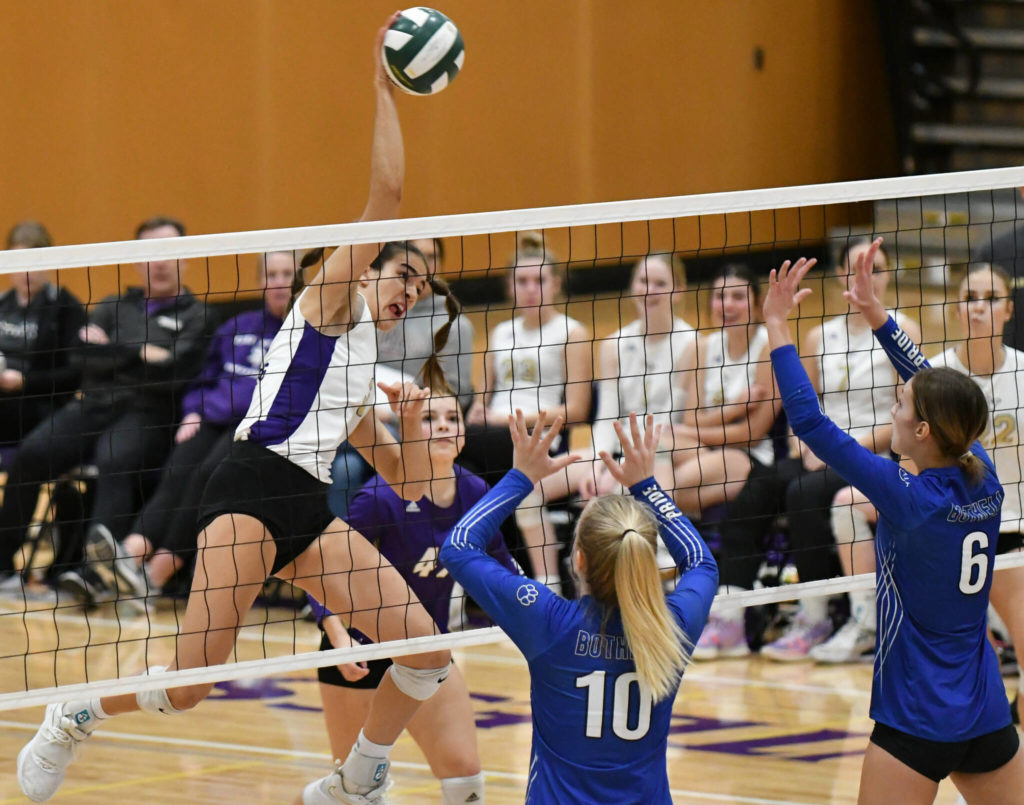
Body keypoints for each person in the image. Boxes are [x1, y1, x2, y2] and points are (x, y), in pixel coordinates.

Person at [18, 19, 459, 804]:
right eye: (403, 276)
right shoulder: (331, 295)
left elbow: (403, 477)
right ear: (369, 267)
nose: (407, 293)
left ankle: (357, 777)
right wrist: (382, 88)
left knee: (426, 650)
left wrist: (424, 430)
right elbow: (385, 197)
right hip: (249, 486)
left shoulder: (370, 366)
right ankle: (74, 711)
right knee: (192, 685)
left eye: (420, 291)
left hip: (308, 507)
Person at [764, 241, 1024, 803]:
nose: (893, 410)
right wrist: (877, 314)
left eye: (901, 406)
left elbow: (810, 423)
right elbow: (937, 389)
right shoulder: (984, 474)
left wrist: (777, 325)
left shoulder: (906, 495)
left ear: (925, 431)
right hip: (986, 712)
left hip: (916, 717)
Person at [440, 410, 718, 803]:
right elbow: (701, 563)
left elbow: (459, 546)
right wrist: (647, 486)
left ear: (580, 561)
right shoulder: (674, 627)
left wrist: (521, 477)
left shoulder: (549, 623)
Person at [300, 391, 517, 805]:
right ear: (408, 433)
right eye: (429, 418)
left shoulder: (475, 493)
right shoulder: (380, 496)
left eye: (452, 418)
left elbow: (503, 572)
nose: (442, 426)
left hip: (426, 650)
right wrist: (337, 638)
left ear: (463, 435)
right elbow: (322, 566)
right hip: (360, 652)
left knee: (466, 777)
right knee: (355, 793)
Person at [60, 251, 296, 607]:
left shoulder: (304, 334)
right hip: (211, 418)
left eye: (287, 274)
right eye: (271, 274)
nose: (279, 282)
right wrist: (193, 412)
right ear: (261, 281)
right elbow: (204, 378)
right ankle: (126, 559)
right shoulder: (237, 326)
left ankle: (152, 574)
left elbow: (272, 395)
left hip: (258, 429)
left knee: (207, 476)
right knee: (177, 469)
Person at [0, 216, 207, 596]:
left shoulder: (198, 315)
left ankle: (94, 575)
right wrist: (139, 353)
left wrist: (109, 352)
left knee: (114, 458)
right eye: (150, 253)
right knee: (32, 453)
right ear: (134, 259)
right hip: (93, 404)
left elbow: (173, 373)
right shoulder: (113, 304)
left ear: (186, 258)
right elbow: (80, 358)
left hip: (148, 412)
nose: (159, 263)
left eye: (169, 253)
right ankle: (2, 566)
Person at [763, 240, 921, 663]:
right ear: (840, 275)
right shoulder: (819, 335)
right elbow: (802, 404)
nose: (867, 274)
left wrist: (841, 449)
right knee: (762, 485)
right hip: (820, 446)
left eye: (877, 267)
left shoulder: (902, 327)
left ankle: (819, 615)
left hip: (870, 452)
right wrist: (807, 446)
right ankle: (755, 605)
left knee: (804, 492)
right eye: (856, 268)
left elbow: (905, 416)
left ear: (888, 276)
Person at [461, 234, 592, 590]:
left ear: (555, 284)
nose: (531, 289)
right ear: (510, 286)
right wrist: (474, 411)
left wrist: (506, 421)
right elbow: (482, 397)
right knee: (462, 470)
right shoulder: (501, 332)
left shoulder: (571, 332)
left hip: (539, 440)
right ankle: (476, 581)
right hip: (491, 437)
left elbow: (577, 409)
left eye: (539, 280)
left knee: (461, 450)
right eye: (522, 281)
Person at [927, 263, 1024, 716]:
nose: (978, 307)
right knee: (962, 655)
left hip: (1014, 531)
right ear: (956, 308)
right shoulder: (937, 377)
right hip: (952, 531)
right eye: (969, 297)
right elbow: (914, 463)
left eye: (989, 298)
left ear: (1007, 308)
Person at [327, 236, 474, 519]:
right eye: (404, 275)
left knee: (347, 467)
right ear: (366, 273)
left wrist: (407, 416)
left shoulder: (450, 323)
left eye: (418, 284)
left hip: (401, 421)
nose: (410, 291)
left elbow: (453, 394)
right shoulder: (338, 322)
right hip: (347, 422)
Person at [671, 264, 779, 517]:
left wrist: (691, 432)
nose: (727, 305)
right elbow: (691, 418)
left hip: (749, 456)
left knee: (668, 481)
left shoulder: (769, 350)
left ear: (756, 303)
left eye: (738, 297)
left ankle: (667, 540)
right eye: (720, 296)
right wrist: (733, 409)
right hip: (706, 447)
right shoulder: (702, 347)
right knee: (658, 447)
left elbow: (751, 433)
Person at [0, 222, 86, 452]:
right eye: (19, 263)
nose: (26, 272)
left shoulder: (65, 307)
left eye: (34, 262)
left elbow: (75, 373)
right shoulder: (2, 303)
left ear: (49, 262)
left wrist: (24, 382)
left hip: (42, 404)